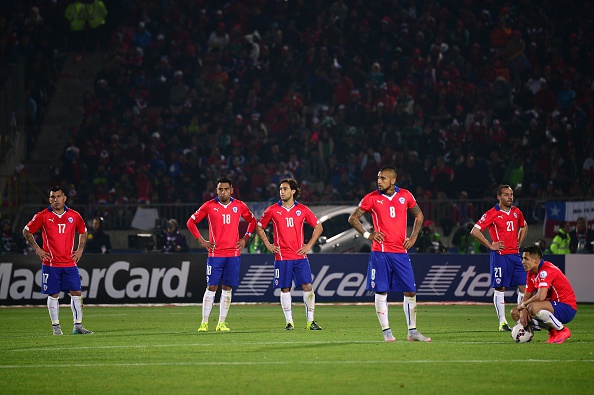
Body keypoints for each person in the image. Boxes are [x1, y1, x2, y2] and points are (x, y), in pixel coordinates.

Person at [348, 165, 431, 342]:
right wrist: (368, 234)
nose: (379, 181)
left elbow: (419, 215)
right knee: (381, 292)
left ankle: (412, 332)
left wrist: (413, 237)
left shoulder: (406, 195)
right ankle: (387, 332)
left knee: (410, 291)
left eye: (383, 178)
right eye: (378, 178)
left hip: (400, 252)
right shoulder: (371, 198)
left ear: (393, 180)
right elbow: (353, 218)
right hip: (381, 253)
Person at [187, 177, 256, 332]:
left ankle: (221, 323)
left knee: (227, 288)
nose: (223, 192)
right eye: (220, 189)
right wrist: (202, 241)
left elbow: (252, 221)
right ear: (216, 190)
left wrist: (246, 237)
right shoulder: (209, 206)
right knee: (211, 286)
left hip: (233, 253)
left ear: (231, 190)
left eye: (226, 189)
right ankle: (204, 323)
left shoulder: (239, 205)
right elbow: (190, 223)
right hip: (215, 254)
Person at [22, 186, 92, 335]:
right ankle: (56, 328)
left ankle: (78, 326)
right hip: (51, 264)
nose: (56, 200)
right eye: (53, 197)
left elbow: (83, 232)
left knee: (77, 292)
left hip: (69, 263)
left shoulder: (74, 215)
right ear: (49, 199)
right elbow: (26, 231)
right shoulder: (42, 216)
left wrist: (80, 249)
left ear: (64, 198)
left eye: (58, 196)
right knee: (53, 294)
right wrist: (37, 249)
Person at [255, 178, 323, 331]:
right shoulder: (272, 210)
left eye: (285, 189)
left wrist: (308, 245)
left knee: (308, 286)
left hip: (300, 256)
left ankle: (310, 321)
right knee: (285, 288)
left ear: (293, 191)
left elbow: (318, 227)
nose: (281, 192)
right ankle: (289, 322)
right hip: (282, 257)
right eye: (280, 189)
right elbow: (259, 227)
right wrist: (268, 245)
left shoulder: (303, 210)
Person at [470, 184, 528, 331]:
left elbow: (524, 225)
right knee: (500, 288)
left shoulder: (516, 212)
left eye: (511, 194)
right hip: (500, 256)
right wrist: (490, 245)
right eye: (507, 195)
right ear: (499, 197)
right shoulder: (492, 213)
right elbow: (475, 231)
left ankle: (522, 320)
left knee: (524, 287)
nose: (510, 197)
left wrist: (520, 239)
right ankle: (502, 322)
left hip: (515, 255)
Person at [511, 244, 577, 344]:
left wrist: (524, 305)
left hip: (566, 307)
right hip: (551, 306)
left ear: (536, 260)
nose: (523, 262)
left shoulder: (546, 270)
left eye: (526, 259)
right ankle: (553, 331)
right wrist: (522, 310)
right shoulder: (531, 272)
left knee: (533, 307)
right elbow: (527, 295)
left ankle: (562, 330)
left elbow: (541, 296)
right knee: (515, 313)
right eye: (522, 258)